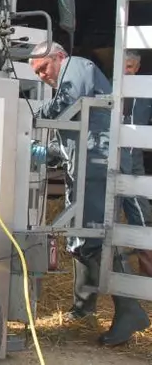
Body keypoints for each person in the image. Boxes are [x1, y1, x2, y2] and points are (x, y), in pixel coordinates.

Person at [29, 41, 150, 346]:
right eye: (38, 72)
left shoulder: (77, 68)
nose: (43, 75)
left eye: (44, 67)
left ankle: (129, 310)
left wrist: (28, 111)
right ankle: (83, 308)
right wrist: (48, 152)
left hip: (99, 162)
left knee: (93, 234)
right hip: (86, 164)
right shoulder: (69, 77)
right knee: (80, 237)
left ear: (60, 57)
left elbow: (67, 107)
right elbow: (75, 129)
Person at [120, 50, 152, 277]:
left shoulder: (144, 91)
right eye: (123, 66)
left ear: (137, 69)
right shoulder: (110, 88)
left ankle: (147, 275)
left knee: (141, 215)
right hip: (115, 157)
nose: (126, 71)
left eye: (130, 67)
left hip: (133, 158)